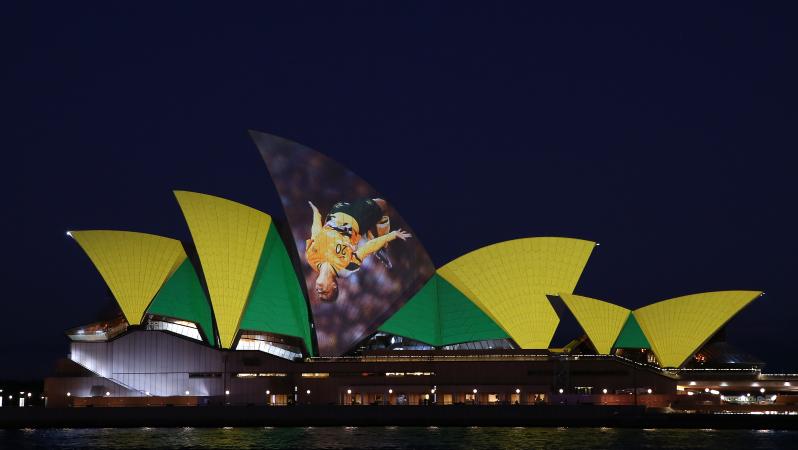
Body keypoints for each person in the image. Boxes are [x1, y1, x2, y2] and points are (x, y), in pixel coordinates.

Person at [305, 198, 412, 302]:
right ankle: (382, 245)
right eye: (325, 293)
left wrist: (316, 213)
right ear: (334, 286)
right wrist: (392, 235)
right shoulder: (346, 269)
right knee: (383, 204)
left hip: (335, 213)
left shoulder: (311, 259)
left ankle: (370, 236)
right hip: (356, 218)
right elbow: (366, 249)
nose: (319, 291)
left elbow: (315, 234)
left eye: (319, 293)